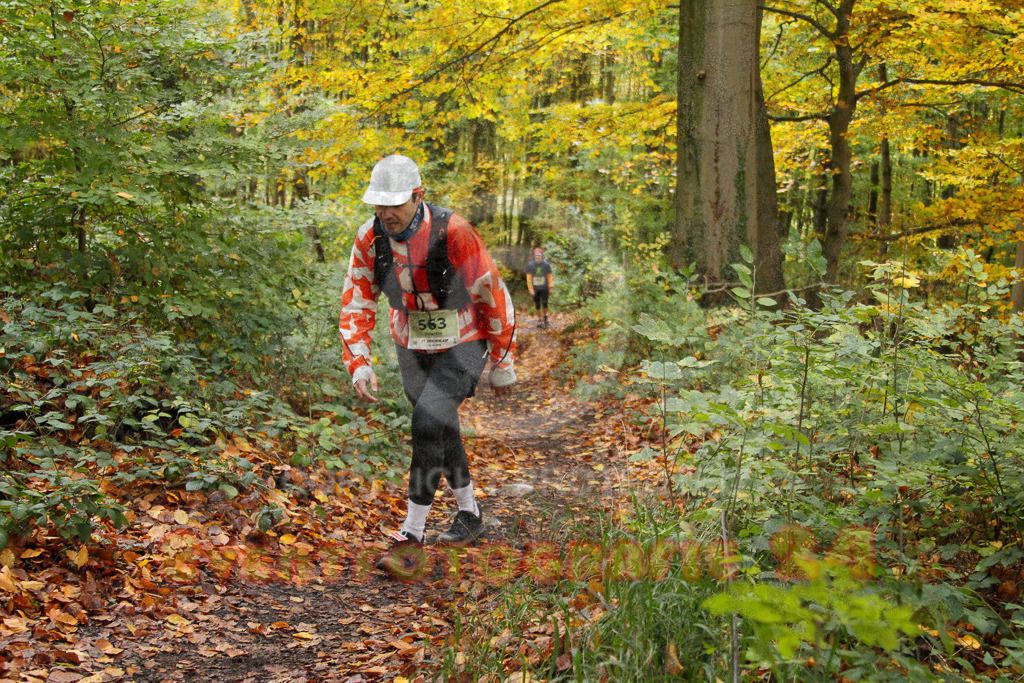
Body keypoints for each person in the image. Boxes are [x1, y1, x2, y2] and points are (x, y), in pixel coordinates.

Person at [338, 154, 517, 576]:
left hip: (464, 340)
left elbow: (491, 290)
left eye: (395, 204)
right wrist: (359, 363)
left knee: (426, 420)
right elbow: (357, 301)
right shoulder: (370, 238)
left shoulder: (453, 231)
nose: (386, 213)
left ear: (418, 196)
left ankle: (411, 536)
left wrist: (503, 358)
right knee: (439, 425)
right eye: (379, 204)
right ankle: (469, 515)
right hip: (411, 343)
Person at [526, 248, 553, 328]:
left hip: (545, 288)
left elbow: (550, 277)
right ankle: (539, 320)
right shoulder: (531, 265)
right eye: (536, 256)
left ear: (542, 256)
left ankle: (545, 318)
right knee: (537, 304)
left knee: (545, 303)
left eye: (539, 256)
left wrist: (551, 287)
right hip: (535, 288)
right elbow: (529, 278)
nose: (537, 258)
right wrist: (530, 289)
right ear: (534, 256)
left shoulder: (546, 265)